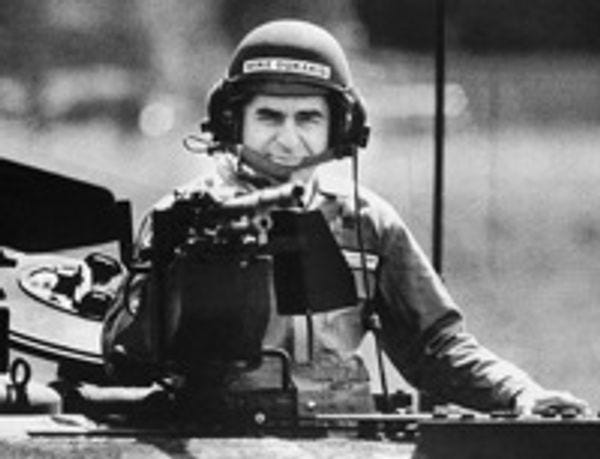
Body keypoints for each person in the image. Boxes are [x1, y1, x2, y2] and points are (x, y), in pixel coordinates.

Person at [102, 19, 588, 415]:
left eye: (307, 118)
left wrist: (520, 393)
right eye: (269, 117)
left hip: (342, 432)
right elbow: (125, 354)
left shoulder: (368, 223)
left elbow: (437, 348)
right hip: (215, 432)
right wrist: (180, 268)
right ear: (233, 121)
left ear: (341, 127)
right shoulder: (184, 217)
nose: (288, 138)